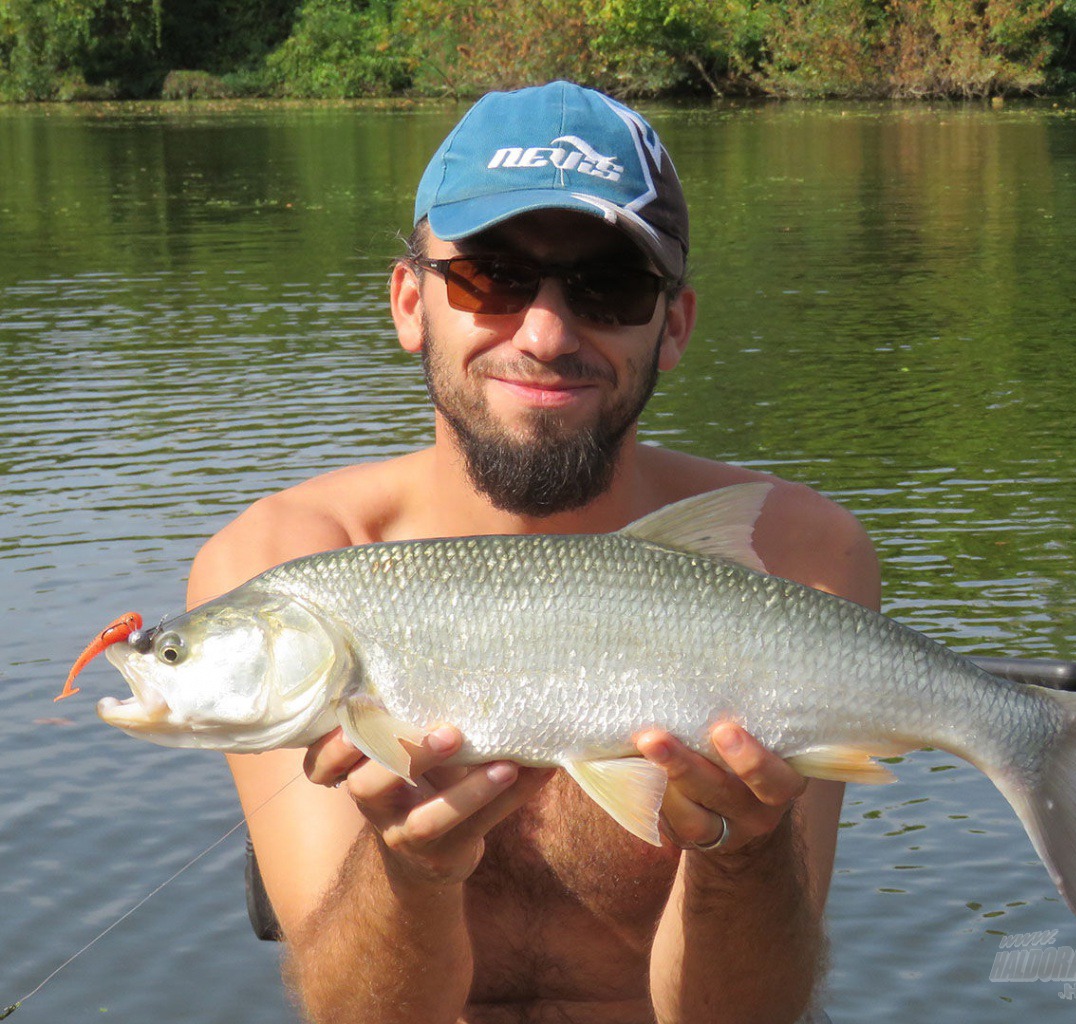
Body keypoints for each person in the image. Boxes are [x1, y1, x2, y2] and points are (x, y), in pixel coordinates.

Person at [188, 81, 880, 1024]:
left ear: (671, 325)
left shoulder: (791, 552)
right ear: (409, 303)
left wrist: (743, 851)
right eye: (491, 280)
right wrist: (411, 871)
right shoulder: (288, 568)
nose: (547, 335)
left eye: (610, 287)